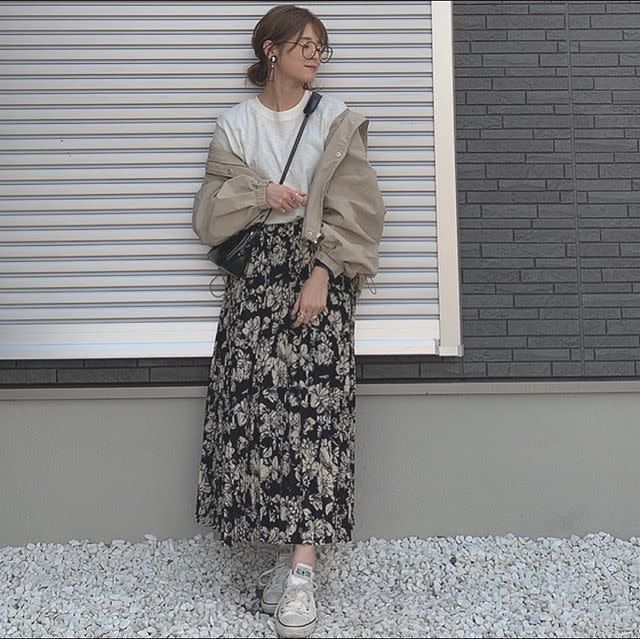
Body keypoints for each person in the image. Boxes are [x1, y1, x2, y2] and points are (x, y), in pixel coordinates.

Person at [192, 5, 386, 637]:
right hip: (253, 283)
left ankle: (304, 568)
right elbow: (209, 216)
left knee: (316, 416)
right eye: (305, 44)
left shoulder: (334, 119)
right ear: (270, 50)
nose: (315, 56)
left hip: (316, 275)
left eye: (321, 47)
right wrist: (261, 194)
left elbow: (359, 210)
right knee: (257, 413)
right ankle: (283, 552)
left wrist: (323, 274)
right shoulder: (235, 125)